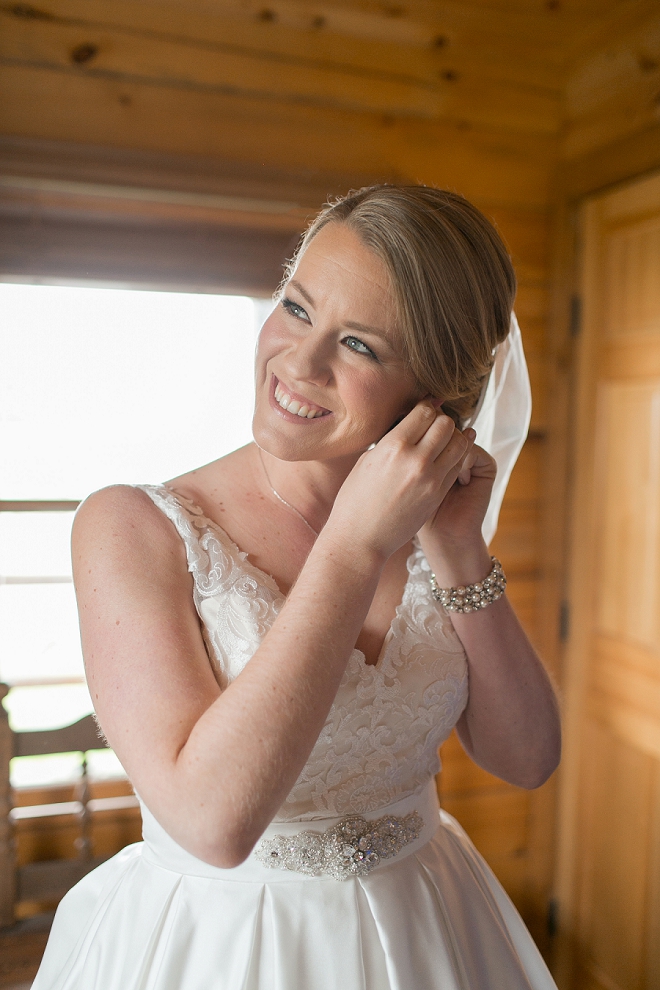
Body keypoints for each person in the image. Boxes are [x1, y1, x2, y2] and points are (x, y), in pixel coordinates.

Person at [33, 185, 561, 989]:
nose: (298, 362)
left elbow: (527, 760)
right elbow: (212, 822)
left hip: (428, 932)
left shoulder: (436, 529)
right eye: (297, 306)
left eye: (359, 345)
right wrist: (353, 545)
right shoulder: (131, 529)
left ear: (438, 400)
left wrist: (458, 548)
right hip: (222, 948)